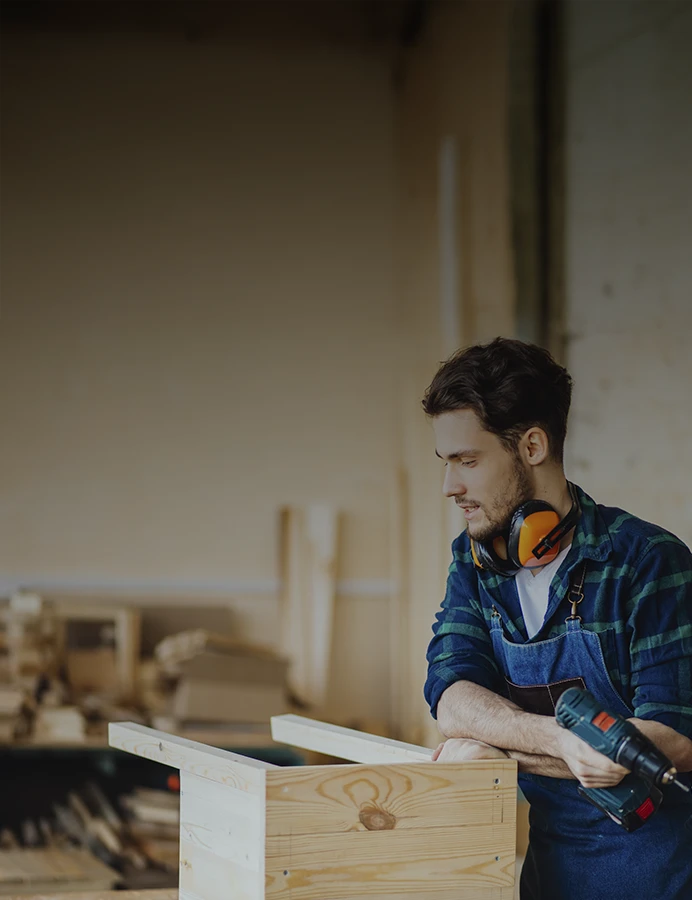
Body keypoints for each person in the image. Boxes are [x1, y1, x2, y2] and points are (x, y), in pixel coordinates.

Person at [422, 337, 692, 900]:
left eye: (467, 462)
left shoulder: (645, 561)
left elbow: (676, 734)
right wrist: (559, 740)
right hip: (548, 877)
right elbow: (452, 695)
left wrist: (502, 747)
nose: (450, 487)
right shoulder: (473, 562)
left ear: (533, 445)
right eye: (446, 465)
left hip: (658, 877)